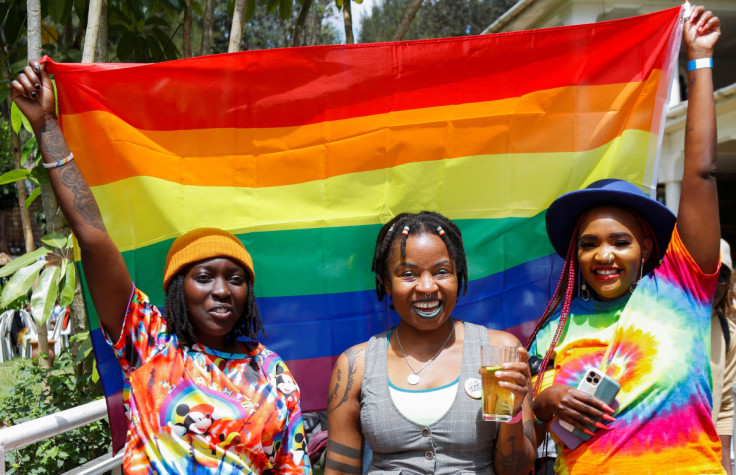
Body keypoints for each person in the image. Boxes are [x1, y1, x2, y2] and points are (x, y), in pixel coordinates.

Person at [12, 63, 311, 474]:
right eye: (204, 277)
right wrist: (47, 124)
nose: (222, 290)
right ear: (177, 289)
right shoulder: (150, 345)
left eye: (235, 279)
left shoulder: (272, 371)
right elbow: (93, 236)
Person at [526, 5, 723, 473]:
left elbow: (700, 173)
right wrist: (543, 401)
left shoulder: (681, 287)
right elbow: (521, 442)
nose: (604, 254)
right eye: (589, 244)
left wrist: (698, 62)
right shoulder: (551, 333)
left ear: (648, 249)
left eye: (620, 241)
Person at [325, 211, 536, 475]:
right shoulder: (357, 365)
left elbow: (516, 471)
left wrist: (512, 414)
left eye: (442, 271)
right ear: (387, 283)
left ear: (458, 275)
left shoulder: (498, 353)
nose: (427, 286)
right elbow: (340, 470)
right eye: (409, 274)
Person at [712, 238, 736, 474]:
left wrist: (726, 465)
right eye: (708, 270)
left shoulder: (728, 333)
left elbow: (724, 406)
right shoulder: (653, 322)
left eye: (722, 275)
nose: (713, 282)